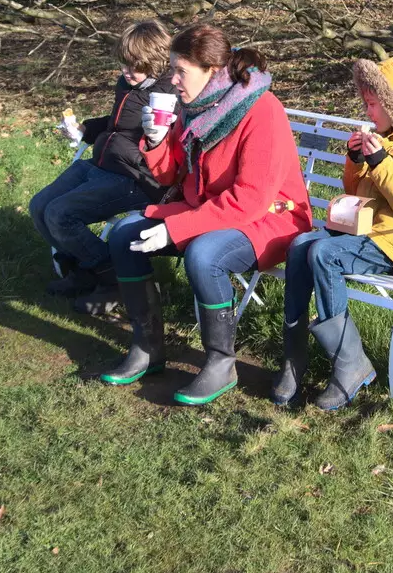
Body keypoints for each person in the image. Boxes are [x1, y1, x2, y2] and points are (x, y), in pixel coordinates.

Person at [98, 24, 310, 405]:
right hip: (211, 210)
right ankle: (147, 348)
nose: (172, 79)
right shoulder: (195, 107)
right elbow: (171, 176)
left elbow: (251, 199)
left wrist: (176, 228)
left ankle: (220, 362)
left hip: (272, 219)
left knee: (204, 253)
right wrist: (158, 141)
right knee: (123, 235)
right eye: (173, 69)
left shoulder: (261, 109)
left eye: (181, 70)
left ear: (212, 70)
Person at [273, 57, 393, 410]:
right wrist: (356, 159)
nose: (368, 111)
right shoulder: (384, 139)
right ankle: (294, 358)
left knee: (323, 254)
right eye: (367, 103)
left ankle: (350, 365)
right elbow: (356, 194)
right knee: (300, 246)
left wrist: (382, 164)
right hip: (361, 232)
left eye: (373, 104)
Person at [28, 20, 175, 305]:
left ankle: (114, 277)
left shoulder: (168, 95)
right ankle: (83, 271)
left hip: (134, 177)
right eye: (123, 64)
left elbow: (169, 145)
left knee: (61, 214)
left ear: (154, 61)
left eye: (134, 66)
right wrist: (84, 130)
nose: (126, 72)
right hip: (101, 165)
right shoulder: (128, 85)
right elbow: (117, 125)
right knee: (39, 206)